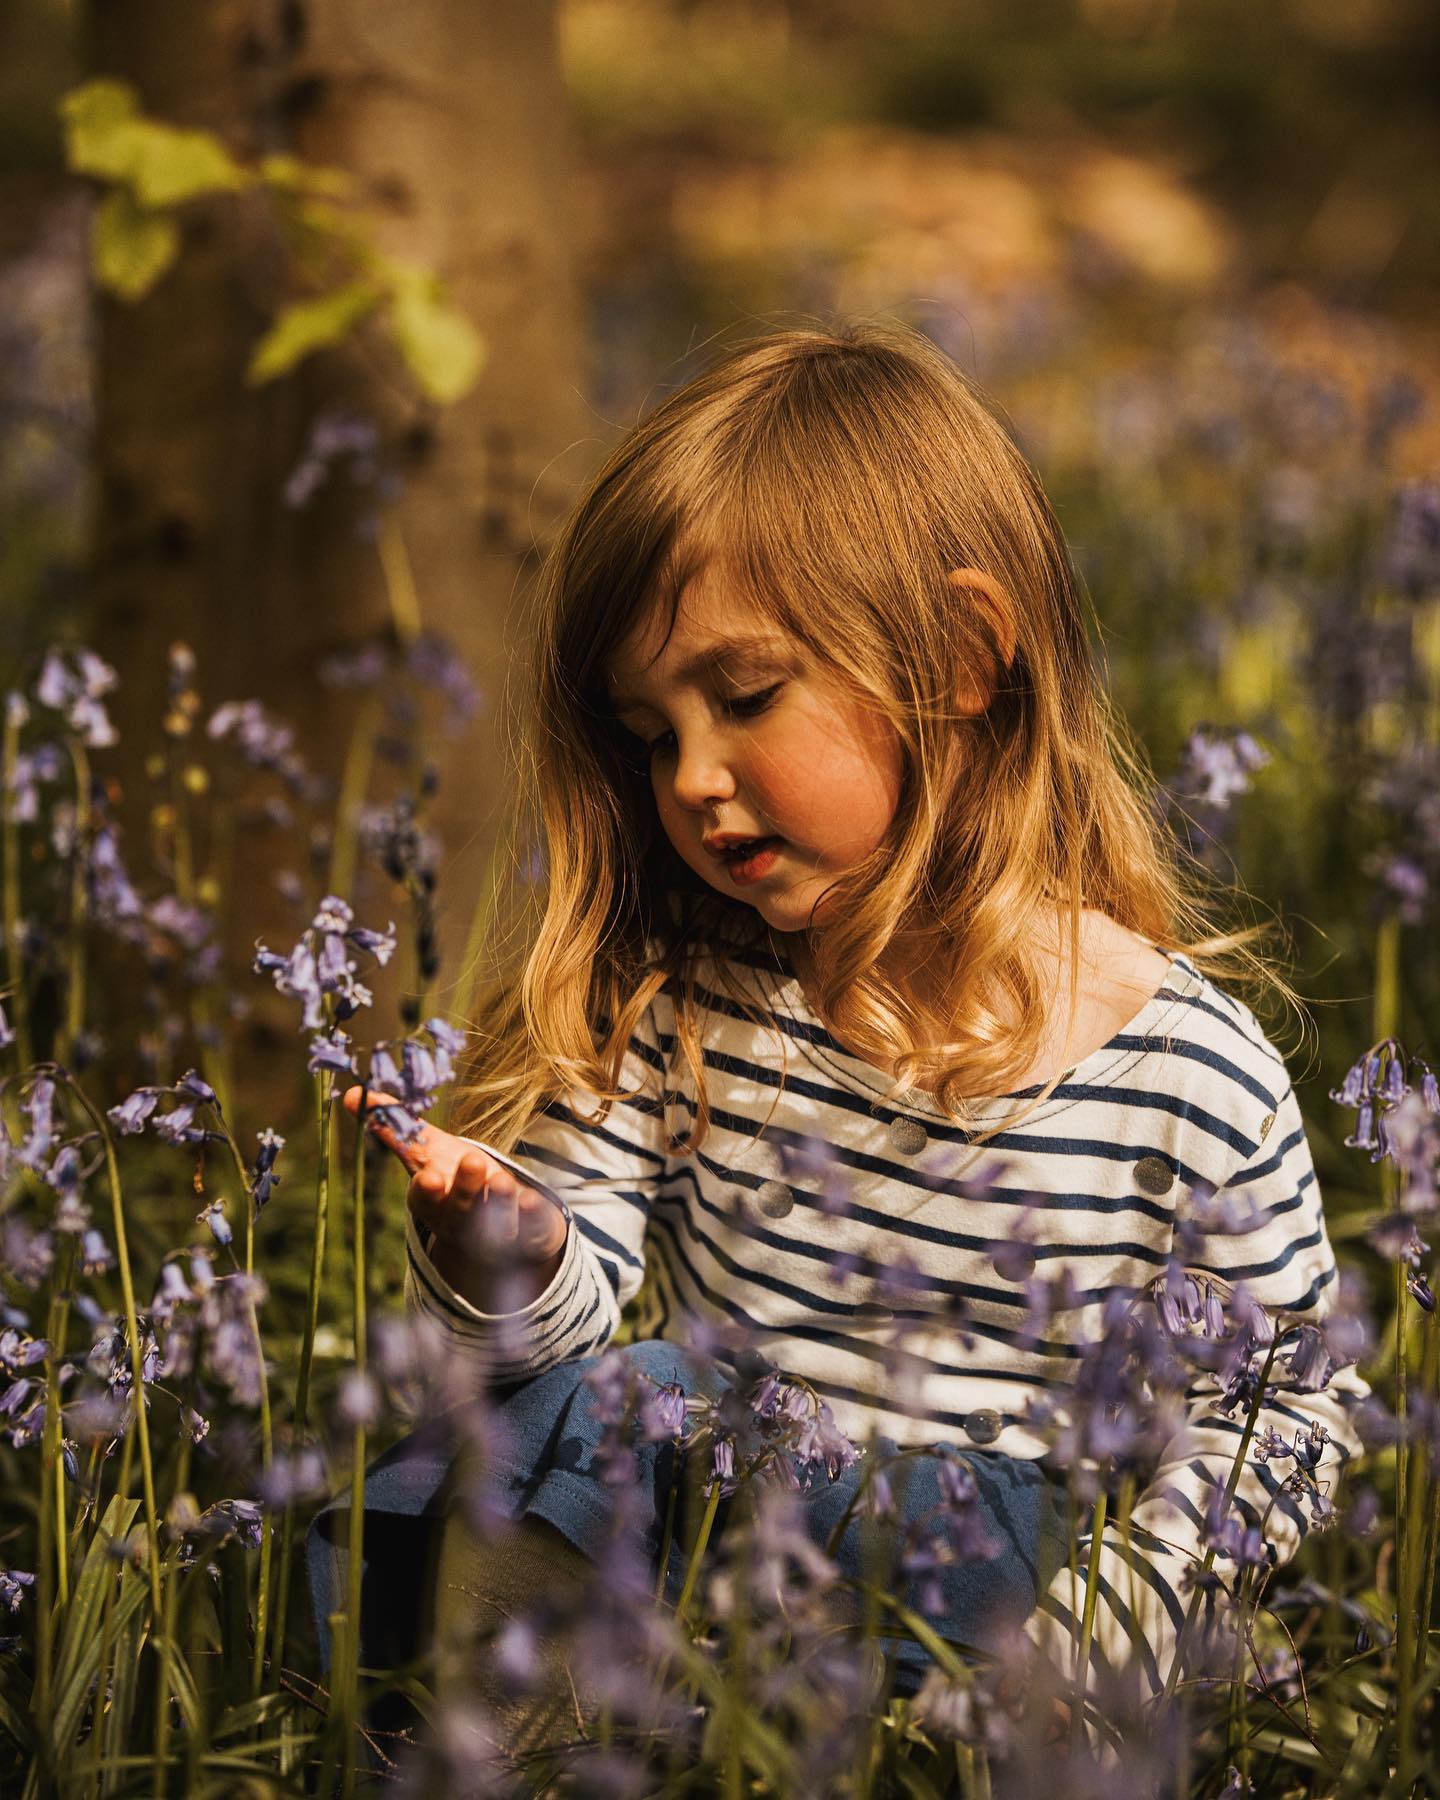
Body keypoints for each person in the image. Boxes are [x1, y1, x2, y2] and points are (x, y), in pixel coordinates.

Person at [319, 319, 1368, 1759]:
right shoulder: (688, 1003)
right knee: (564, 1413)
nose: (690, 779)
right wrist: (518, 1256)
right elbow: (559, 1342)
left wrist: (1093, 1643)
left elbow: (1286, 1427)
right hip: (718, 1538)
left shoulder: (1188, 1075)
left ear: (958, 660)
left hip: (984, 1579)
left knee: (637, 1411)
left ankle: (533, 1738)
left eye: (744, 699)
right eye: (648, 731)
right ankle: (541, 1737)